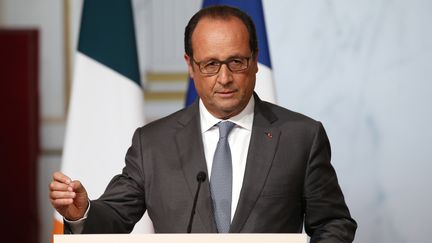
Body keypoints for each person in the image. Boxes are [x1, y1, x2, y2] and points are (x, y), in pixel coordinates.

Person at [49, 5, 357, 242]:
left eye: (236, 62)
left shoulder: (300, 137)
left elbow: (333, 222)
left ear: (254, 61)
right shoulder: (153, 143)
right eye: (210, 64)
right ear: (190, 66)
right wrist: (82, 212)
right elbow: (116, 217)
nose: (224, 78)